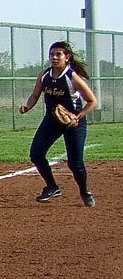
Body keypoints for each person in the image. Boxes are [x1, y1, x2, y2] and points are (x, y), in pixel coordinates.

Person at [20, 41, 99, 207]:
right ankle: (52, 186)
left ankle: (84, 191)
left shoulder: (72, 78)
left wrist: (78, 116)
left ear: (67, 57)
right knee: (36, 154)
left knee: (75, 162)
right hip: (52, 120)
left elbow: (92, 101)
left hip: (74, 123)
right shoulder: (44, 75)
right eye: (51, 55)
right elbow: (35, 95)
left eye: (58, 54)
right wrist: (27, 106)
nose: (54, 58)